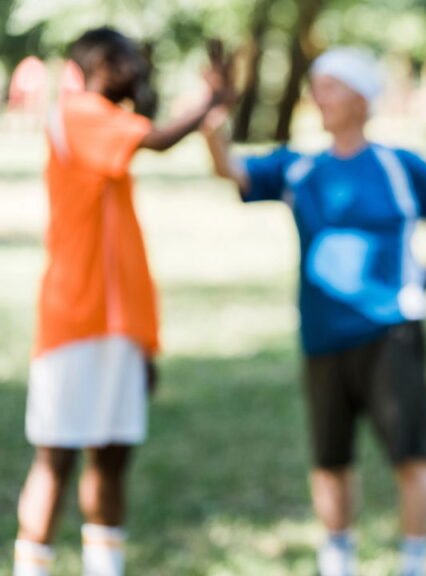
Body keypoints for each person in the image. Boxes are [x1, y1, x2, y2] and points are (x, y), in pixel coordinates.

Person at [202, 46, 426, 576]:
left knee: (410, 455)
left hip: (390, 332)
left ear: (360, 97)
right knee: (330, 458)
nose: (316, 97)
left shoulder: (400, 166)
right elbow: (227, 167)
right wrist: (213, 116)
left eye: (328, 86)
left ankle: (413, 563)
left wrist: (425, 279)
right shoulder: (300, 167)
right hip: (322, 335)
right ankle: (338, 559)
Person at [13, 27, 232, 576]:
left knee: (111, 460)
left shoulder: (101, 122)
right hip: (73, 320)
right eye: (129, 60)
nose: (138, 70)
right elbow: (157, 138)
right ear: (102, 64)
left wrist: (144, 344)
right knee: (56, 460)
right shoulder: (79, 111)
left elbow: (151, 132)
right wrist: (207, 99)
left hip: (119, 326)